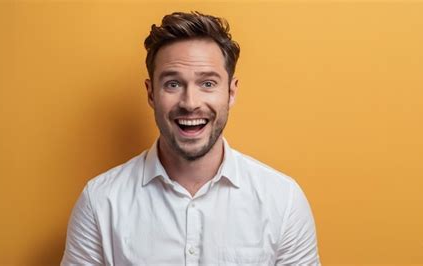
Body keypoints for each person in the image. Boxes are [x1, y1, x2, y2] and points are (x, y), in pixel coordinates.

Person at [61, 11, 320, 265]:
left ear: (231, 92)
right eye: (173, 84)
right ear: (151, 94)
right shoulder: (100, 202)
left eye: (207, 83)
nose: (190, 103)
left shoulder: (283, 200)